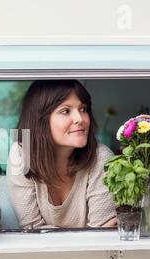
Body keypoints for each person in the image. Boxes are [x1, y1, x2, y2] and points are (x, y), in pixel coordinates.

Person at [6, 80, 117, 229]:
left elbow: (101, 234)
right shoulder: (20, 156)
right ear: (40, 119)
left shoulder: (101, 158)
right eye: (65, 111)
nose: (80, 119)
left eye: (83, 109)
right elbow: (32, 230)